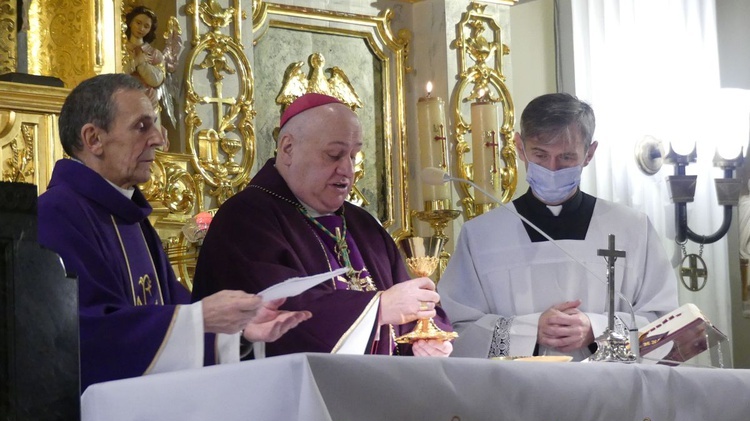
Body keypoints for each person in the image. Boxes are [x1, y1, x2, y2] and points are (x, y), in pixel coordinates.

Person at [38, 73, 311, 391]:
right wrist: (202, 319)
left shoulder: (130, 216)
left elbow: (174, 309)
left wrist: (239, 330)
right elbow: (79, 336)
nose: (159, 139)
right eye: (142, 126)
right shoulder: (56, 214)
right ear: (93, 139)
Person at [192, 93, 453, 358]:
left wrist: (426, 339)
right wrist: (378, 308)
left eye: (354, 155)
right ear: (287, 148)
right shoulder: (245, 218)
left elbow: (408, 304)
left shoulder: (363, 225)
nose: (348, 170)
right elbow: (275, 314)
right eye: (334, 154)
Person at [438, 92, 679, 360]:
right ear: (519, 147)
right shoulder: (482, 235)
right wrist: (530, 331)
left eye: (566, 157)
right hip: (515, 393)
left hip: (608, 392)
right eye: (540, 155)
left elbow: (664, 323)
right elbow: (454, 329)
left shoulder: (631, 229)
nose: (552, 169)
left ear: (589, 153)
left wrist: (597, 329)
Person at [123, 6, 165, 112]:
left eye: (146, 26)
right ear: (130, 22)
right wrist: (136, 61)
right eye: (138, 23)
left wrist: (143, 66)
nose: (141, 28)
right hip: (124, 99)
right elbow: (116, 73)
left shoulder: (154, 54)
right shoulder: (120, 49)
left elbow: (157, 80)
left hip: (148, 100)